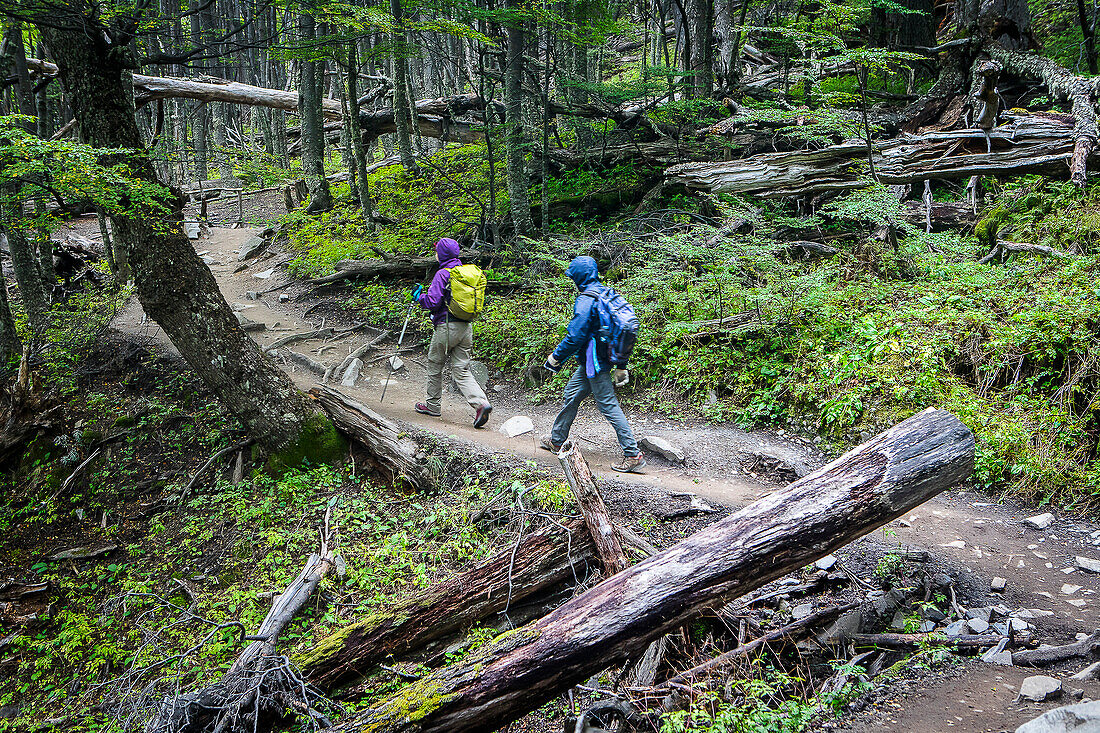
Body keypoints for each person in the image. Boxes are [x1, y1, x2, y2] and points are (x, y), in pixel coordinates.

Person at [540, 256, 645, 473]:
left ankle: (633, 454)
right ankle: (557, 440)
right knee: (571, 394)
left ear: (578, 277)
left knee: (608, 404)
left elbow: (575, 337)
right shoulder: (607, 293)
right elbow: (622, 329)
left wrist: (556, 357)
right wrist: (621, 364)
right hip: (596, 359)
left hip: (595, 362)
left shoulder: (587, 299)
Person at [413, 237, 492, 428]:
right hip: (466, 327)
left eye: (437, 251)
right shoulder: (464, 274)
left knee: (435, 364)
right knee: (461, 369)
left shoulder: (443, 274)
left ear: (442, 253)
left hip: (447, 327)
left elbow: (432, 302)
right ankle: (481, 403)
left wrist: (419, 297)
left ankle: (432, 406)